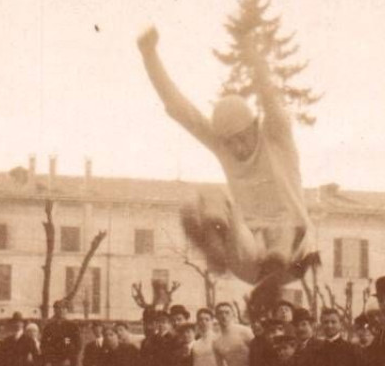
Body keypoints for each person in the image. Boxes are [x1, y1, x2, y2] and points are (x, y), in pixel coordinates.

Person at [136, 24, 317, 313]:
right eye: (230, 143)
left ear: (255, 126)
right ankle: (216, 250)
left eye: (243, 139)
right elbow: (182, 109)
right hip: (251, 258)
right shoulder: (225, 149)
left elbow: (268, 96)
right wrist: (149, 55)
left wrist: (252, 53)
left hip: (295, 251)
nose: (238, 149)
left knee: (285, 225)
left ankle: (273, 278)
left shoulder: (277, 137)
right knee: (206, 197)